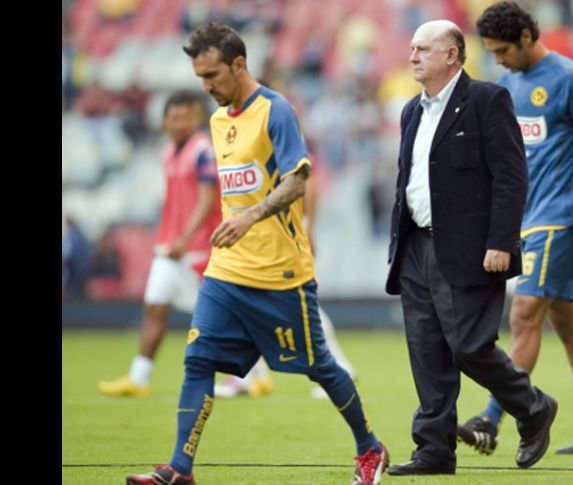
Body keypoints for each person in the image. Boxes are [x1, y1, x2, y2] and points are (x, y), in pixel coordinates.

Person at [126, 22, 388, 485]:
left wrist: (251, 216)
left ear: (239, 65)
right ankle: (179, 469)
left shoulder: (275, 111)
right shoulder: (217, 119)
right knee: (198, 360)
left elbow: (298, 179)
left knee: (320, 367)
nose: (205, 87)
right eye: (200, 77)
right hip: (228, 271)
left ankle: (369, 448)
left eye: (212, 75)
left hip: (280, 273)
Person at [457, 1, 573, 456]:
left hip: (558, 218)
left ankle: (493, 418)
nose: (496, 59)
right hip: (524, 220)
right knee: (569, 322)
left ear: (525, 36)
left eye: (502, 49)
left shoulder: (569, 80)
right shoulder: (508, 82)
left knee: (523, 315)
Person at [385, 20, 557, 477]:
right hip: (415, 246)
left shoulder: (487, 100)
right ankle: (434, 451)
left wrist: (502, 240)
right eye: (411, 47)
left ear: (451, 55)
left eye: (422, 48)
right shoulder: (411, 111)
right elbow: (410, 180)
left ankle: (532, 406)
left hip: (471, 248)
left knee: (469, 348)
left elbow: (511, 175)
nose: (412, 56)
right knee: (427, 352)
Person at [98, 91, 220, 398]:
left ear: (195, 119)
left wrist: (185, 238)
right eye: (175, 117)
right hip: (169, 248)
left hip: (196, 249)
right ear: (164, 121)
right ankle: (139, 378)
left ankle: (253, 374)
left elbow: (207, 201)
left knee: (216, 317)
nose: (181, 123)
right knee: (154, 307)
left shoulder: (203, 151)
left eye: (186, 117)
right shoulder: (169, 152)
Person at [213, 174, 357, 400]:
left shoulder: (278, 140)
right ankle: (249, 374)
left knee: (294, 303)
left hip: (283, 238)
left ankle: (337, 368)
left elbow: (308, 178)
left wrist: (308, 226)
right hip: (265, 237)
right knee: (256, 299)